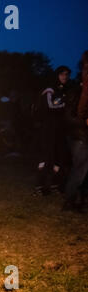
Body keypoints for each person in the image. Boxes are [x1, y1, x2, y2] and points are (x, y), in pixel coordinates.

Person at [34, 66, 71, 196]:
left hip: (59, 130)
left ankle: (55, 185)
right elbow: (50, 105)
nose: (65, 77)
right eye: (62, 74)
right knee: (45, 157)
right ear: (57, 75)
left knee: (58, 158)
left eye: (67, 74)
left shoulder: (64, 90)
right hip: (48, 129)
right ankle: (39, 186)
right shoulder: (50, 89)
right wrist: (65, 103)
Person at [63, 52, 88, 212]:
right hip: (79, 135)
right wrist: (84, 120)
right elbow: (71, 115)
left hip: (81, 134)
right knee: (80, 168)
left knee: (83, 169)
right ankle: (69, 201)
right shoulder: (78, 90)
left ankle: (79, 200)